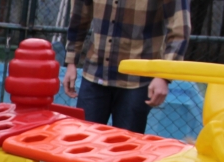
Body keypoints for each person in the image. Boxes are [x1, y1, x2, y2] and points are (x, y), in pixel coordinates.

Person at [62, 0, 190, 134]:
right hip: (95, 75)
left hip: (137, 81)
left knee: (126, 148)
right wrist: (71, 62)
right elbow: (79, 16)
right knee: (82, 142)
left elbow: (180, 29)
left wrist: (163, 75)